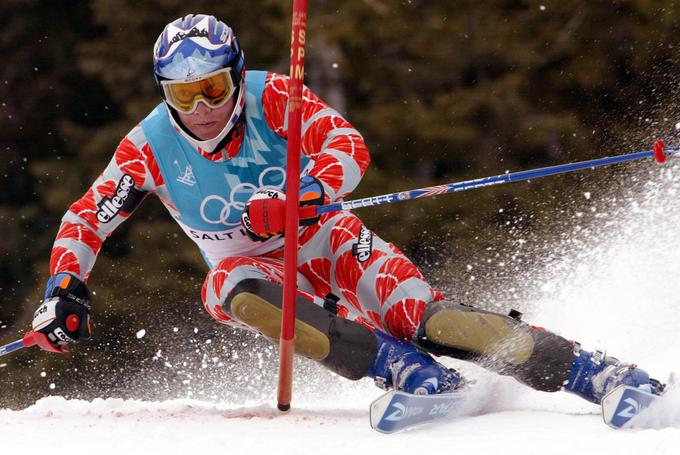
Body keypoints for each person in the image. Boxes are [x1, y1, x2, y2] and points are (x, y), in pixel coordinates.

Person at [31, 14, 662, 404]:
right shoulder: (150, 147)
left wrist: (302, 194)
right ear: (163, 93)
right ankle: (409, 377)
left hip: (328, 239)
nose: (201, 109)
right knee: (230, 288)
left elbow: (347, 145)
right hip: (262, 271)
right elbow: (88, 218)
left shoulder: (270, 96)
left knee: (425, 318)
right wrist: (64, 288)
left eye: (213, 88)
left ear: (235, 75)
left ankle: (592, 372)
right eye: (183, 94)